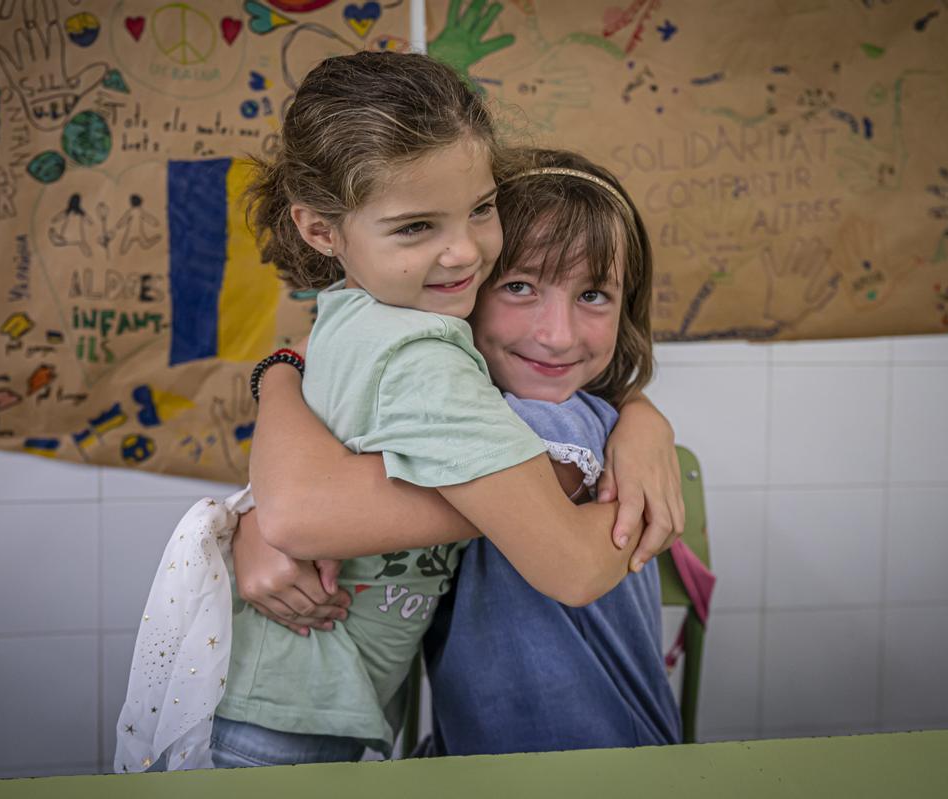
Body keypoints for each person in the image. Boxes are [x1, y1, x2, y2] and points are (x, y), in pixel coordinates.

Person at [116, 51, 669, 773]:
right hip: (299, 722)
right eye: (416, 228)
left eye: (480, 210)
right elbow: (301, 512)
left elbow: (305, 493)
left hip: (332, 713)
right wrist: (639, 493)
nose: (463, 252)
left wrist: (638, 416)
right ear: (321, 230)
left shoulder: (355, 318)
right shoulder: (422, 356)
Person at [240, 149, 684, 756]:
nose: (557, 335)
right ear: (465, 288)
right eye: (521, 287)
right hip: (491, 756)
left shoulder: (541, 420)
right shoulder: (452, 414)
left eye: (595, 296)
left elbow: (309, 515)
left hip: (589, 762)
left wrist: (263, 525)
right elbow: (320, 480)